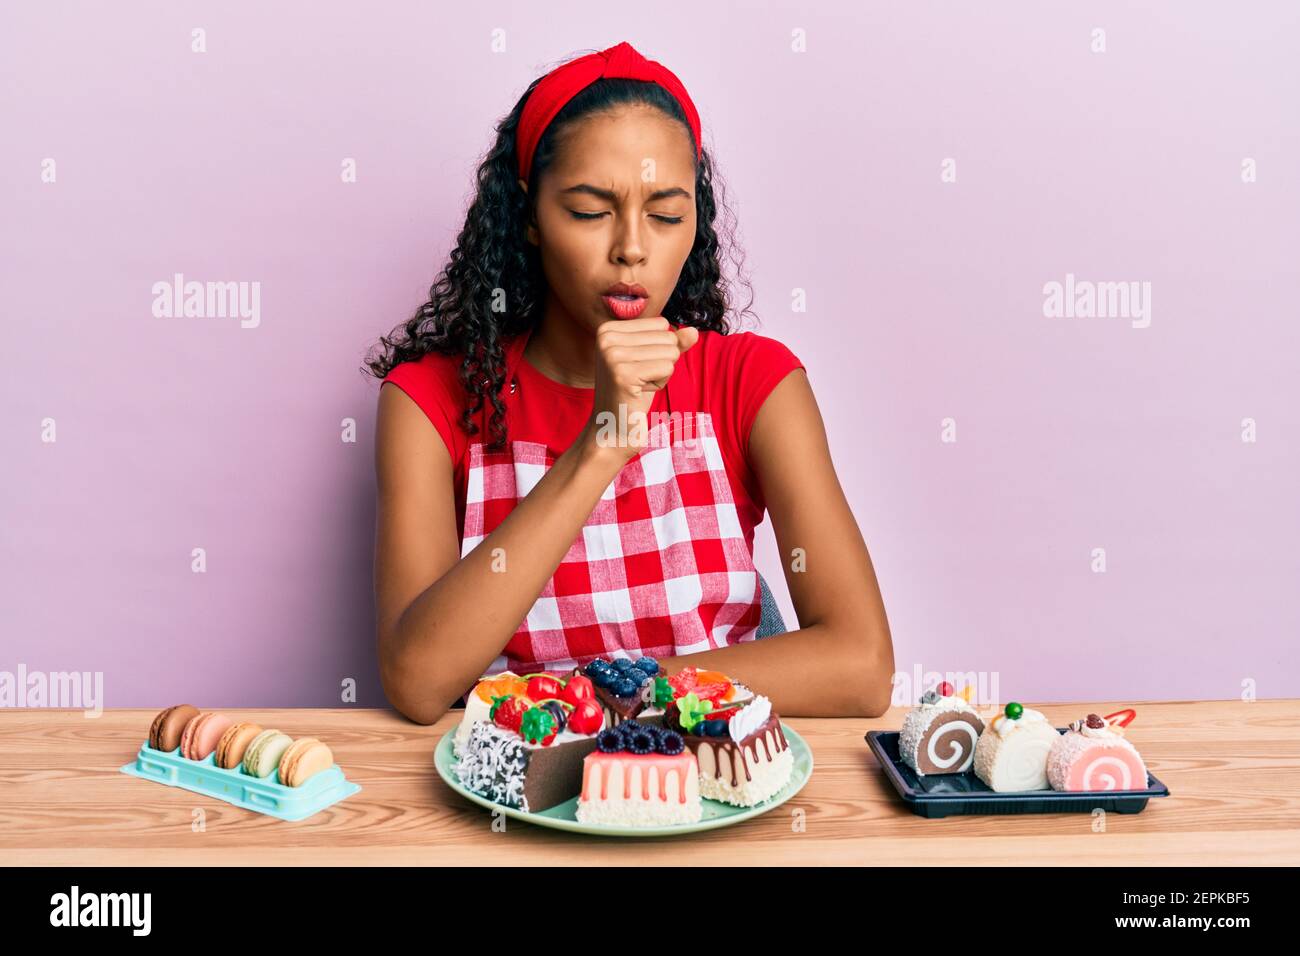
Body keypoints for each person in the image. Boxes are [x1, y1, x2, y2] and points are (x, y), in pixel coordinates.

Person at [365, 41, 893, 725]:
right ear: (527, 217)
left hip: (714, 792)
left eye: (667, 214)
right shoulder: (428, 401)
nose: (633, 248)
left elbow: (860, 668)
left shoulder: (754, 382)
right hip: (518, 805)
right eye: (590, 211)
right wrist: (602, 443)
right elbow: (418, 680)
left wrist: (615, 690)